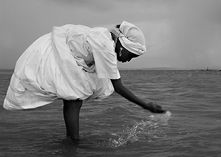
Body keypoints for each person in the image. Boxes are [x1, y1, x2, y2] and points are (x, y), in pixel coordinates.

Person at [3, 21, 166, 141]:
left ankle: (72, 139)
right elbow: (118, 86)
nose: (129, 60)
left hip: (70, 52)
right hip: (54, 53)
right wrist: (146, 105)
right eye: (130, 56)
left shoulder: (105, 36)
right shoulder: (106, 47)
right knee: (73, 97)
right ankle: (72, 140)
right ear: (122, 47)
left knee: (75, 98)